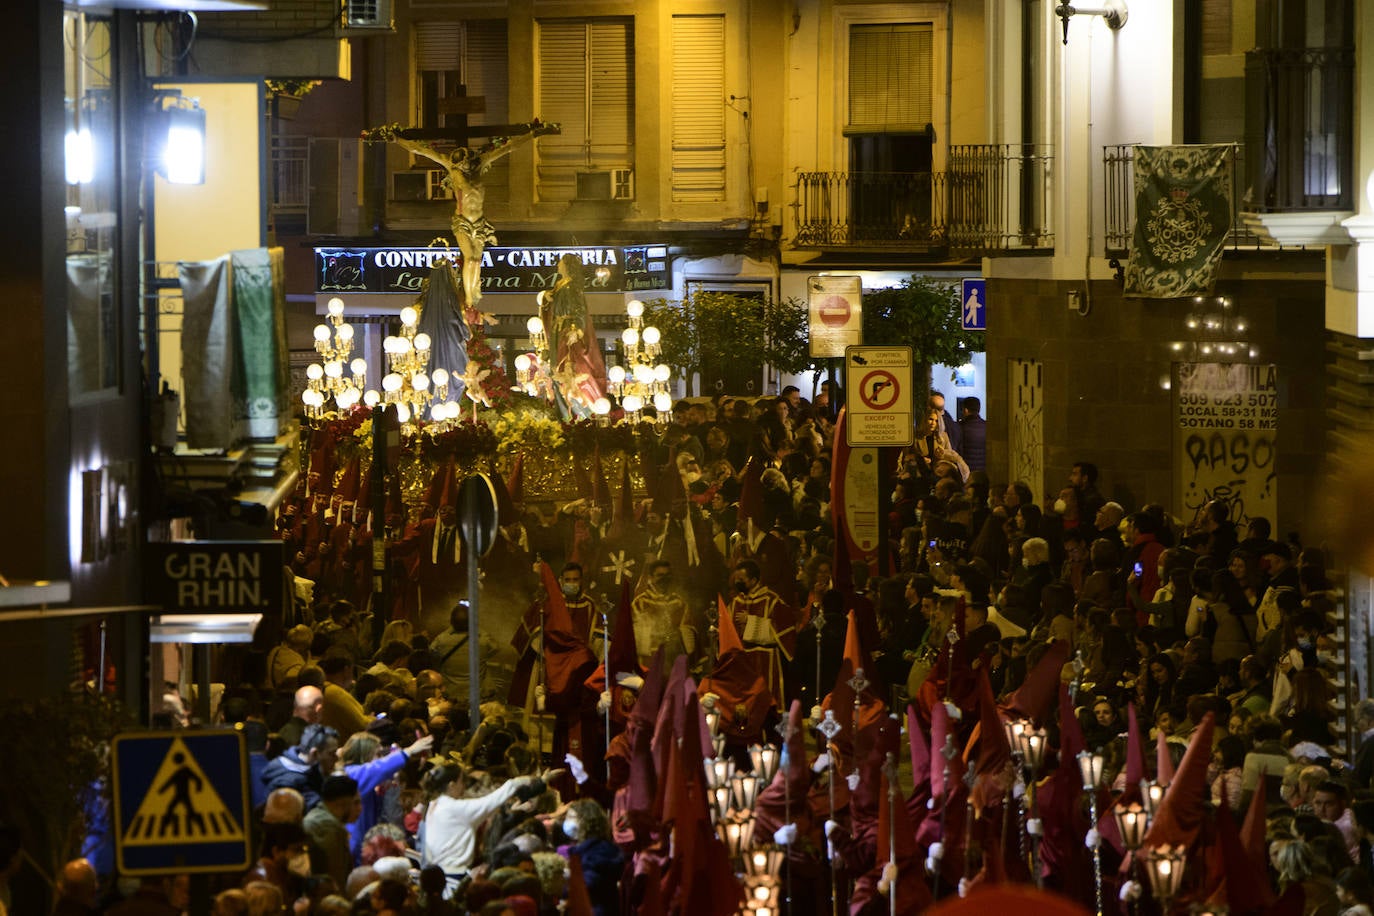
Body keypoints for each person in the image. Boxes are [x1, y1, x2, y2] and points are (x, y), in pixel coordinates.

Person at [365, 120, 559, 307]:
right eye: (462, 167)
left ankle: (474, 294)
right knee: (470, 258)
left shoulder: (480, 165)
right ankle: (469, 298)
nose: (465, 169)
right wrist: (394, 139)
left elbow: (508, 148)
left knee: (477, 260)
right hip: (463, 222)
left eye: (467, 166)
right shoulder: (451, 167)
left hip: (480, 223)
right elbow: (421, 149)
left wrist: (533, 134)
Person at [419, 762, 544, 883]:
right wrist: (515, 783)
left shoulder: (434, 804)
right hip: (452, 876)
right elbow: (490, 802)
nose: (464, 786)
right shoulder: (453, 808)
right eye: (462, 781)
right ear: (451, 785)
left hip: (440, 874)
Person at [541, 253, 608, 416]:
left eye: (561, 263)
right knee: (556, 369)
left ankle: (576, 412)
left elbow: (580, 309)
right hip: (558, 330)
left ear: (567, 265)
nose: (558, 265)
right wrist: (546, 297)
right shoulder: (559, 285)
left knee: (568, 367)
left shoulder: (572, 286)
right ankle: (562, 411)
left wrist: (577, 329)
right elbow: (550, 303)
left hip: (566, 330)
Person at [560, 799, 622, 916]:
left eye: (571, 817)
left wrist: (566, 879)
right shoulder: (582, 849)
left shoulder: (602, 851)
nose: (566, 821)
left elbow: (588, 883)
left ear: (587, 821)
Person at [302, 775, 361, 888]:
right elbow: (335, 878)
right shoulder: (329, 828)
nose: (360, 808)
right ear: (343, 803)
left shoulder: (316, 817)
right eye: (355, 803)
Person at [957, 397, 986, 471]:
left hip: (966, 470)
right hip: (982, 470)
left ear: (965, 410)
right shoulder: (986, 426)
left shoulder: (960, 427)